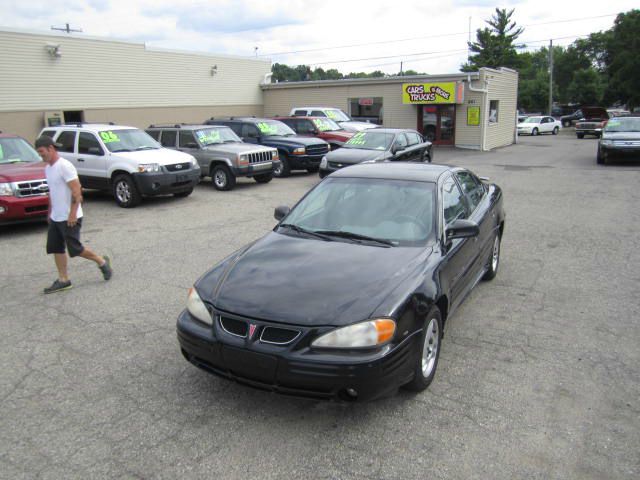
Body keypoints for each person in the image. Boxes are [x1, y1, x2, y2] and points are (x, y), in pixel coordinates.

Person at [35, 136, 112, 293]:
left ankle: (102, 261)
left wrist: (72, 214)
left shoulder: (65, 166)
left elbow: (77, 191)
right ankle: (64, 279)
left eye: (42, 152)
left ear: (51, 148)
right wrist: (50, 212)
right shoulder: (48, 168)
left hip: (70, 216)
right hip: (56, 216)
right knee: (55, 247)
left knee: (75, 249)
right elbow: (53, 192)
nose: (41, 156)